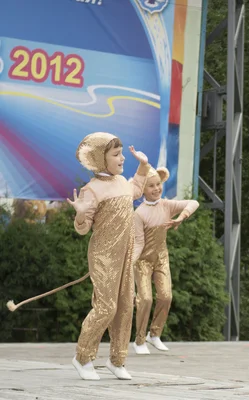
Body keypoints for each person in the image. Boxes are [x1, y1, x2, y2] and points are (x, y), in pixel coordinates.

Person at [68, 132, 149, 380]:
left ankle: (117, 360)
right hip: (104, 257)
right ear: (99, 159)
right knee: (106, 307)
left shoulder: (123, 182)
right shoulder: (91, 190)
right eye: (116, 154)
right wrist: (81, 214)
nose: (122, 158)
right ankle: (82, 357)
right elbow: (82, 229)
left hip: (125, 255)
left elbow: (135, 189)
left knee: (126, 305)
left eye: (122, 153)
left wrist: (143, 166)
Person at [131, 166, 199, 355]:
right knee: (145, 299)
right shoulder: (139, 213)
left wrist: (181, 218)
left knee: (166, 296)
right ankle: (139, 340)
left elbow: (193, 203)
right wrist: (130, 261)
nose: (156, 189)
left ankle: (155, 334)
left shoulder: (167, 206)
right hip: (142, 260)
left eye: (158, 184)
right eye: (151, 186)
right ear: (143, 190)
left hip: (161, 258)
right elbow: (138, 243)